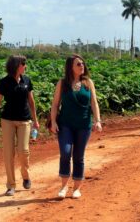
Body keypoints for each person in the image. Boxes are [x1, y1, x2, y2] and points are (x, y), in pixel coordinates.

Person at [50, 54, 102, 199]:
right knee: (65, 153)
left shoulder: (88, 82)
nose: (82, 66)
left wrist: (97, 120)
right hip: (65, 124)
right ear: (71, 67)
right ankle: (63, 186)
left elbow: (94, 103)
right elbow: (55, 104)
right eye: (78, 64)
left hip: (83, 125)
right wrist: (53, 121)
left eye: (82, 64)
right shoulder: (63, 83)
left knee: (78, 156)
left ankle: (77, 188)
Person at [0, 55, 39, 196]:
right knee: (8, 153)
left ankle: (26, 176)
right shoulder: (4, 82)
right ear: (17, 65)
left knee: (23, 151)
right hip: (8, 121)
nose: (25, 66)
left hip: (24, 120)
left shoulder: (27, 80)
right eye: (24, 64)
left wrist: (35, 121)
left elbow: (32, 102)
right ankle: (11, 185)